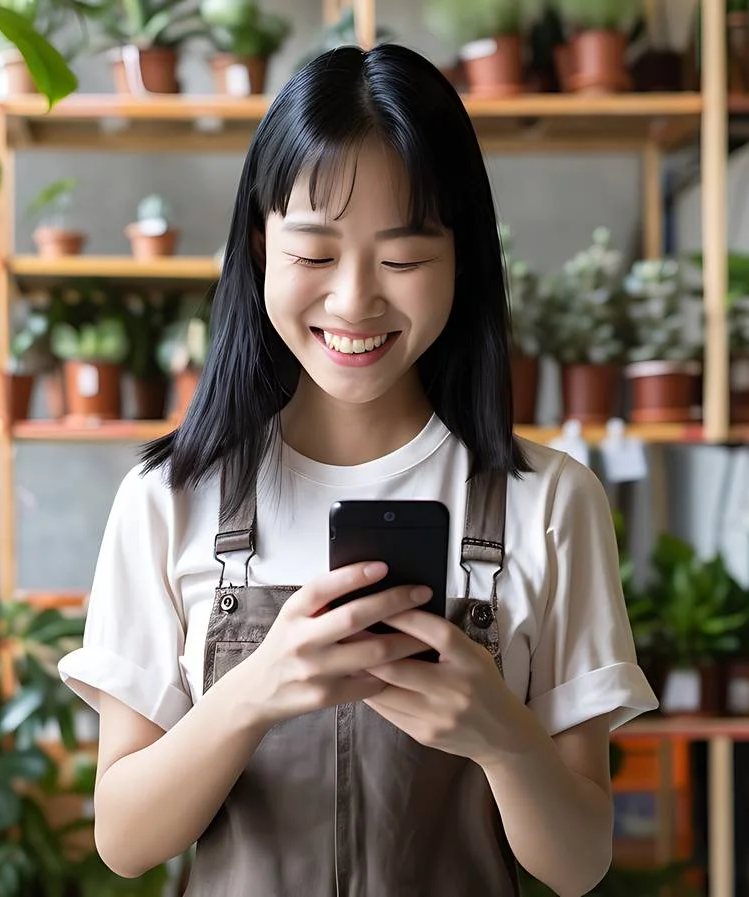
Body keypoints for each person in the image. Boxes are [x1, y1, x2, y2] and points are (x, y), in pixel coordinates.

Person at [57, 42, 659, 897]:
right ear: (260, 249)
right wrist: (257, 690)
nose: (354, 300)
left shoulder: (550, 502)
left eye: (405, 259)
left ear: (464, 261)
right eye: (313, 253)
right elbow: (124, 838)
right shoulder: (168, 499)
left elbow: (578, 862)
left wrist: (500, 735)